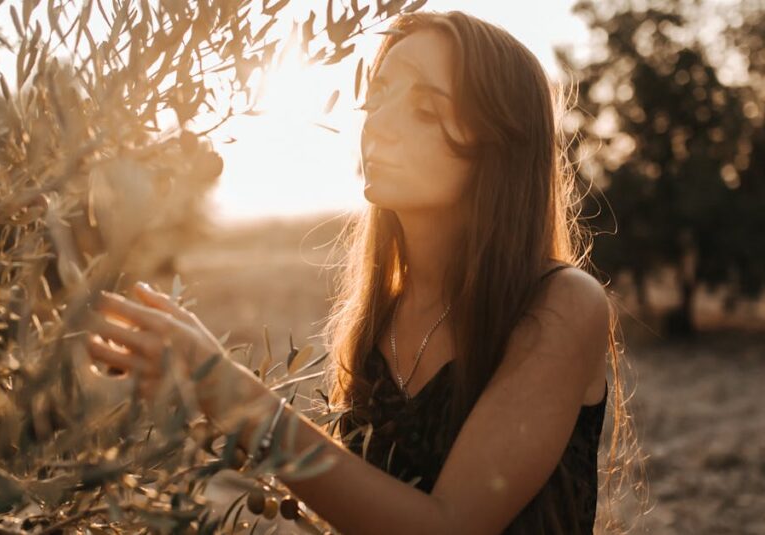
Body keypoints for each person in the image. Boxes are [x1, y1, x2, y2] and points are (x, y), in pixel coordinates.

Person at [84, 10, 642, 535]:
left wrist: (226, 389)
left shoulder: (562, 304)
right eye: (377, 98)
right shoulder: (381, 316)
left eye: (424, 108)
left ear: (498, 145)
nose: (380, 124)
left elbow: (449, 526)